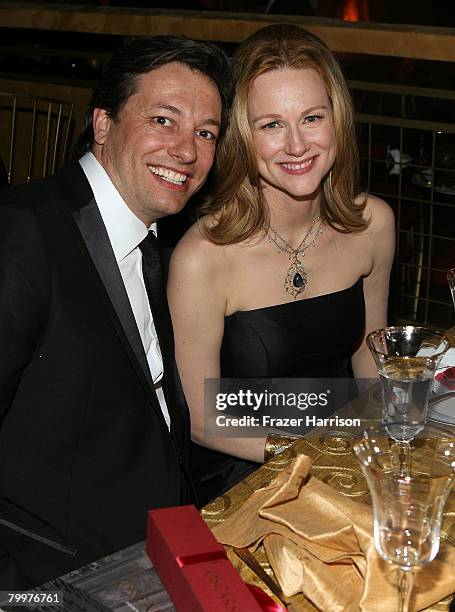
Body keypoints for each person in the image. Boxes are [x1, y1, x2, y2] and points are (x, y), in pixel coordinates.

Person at [0, 35, 231, 588]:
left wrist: (344, 414)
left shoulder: (157, 245)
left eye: (206, 133)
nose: (186, 150)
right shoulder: (23, 233)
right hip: (56, 576)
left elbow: (194, 409)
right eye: (163, 120)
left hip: (163, 549)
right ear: (102, 124)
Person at [168, 24, 395, 504]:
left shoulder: (372, 224)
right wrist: (314, 455)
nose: (297, 145)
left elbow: (368, 359)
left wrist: (382, 443)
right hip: (245, 478)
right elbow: (201, 419)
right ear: (241, 138)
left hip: (347, 454)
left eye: (312, 117)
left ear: (338, 120)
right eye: (271, 124)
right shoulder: (202, 258)